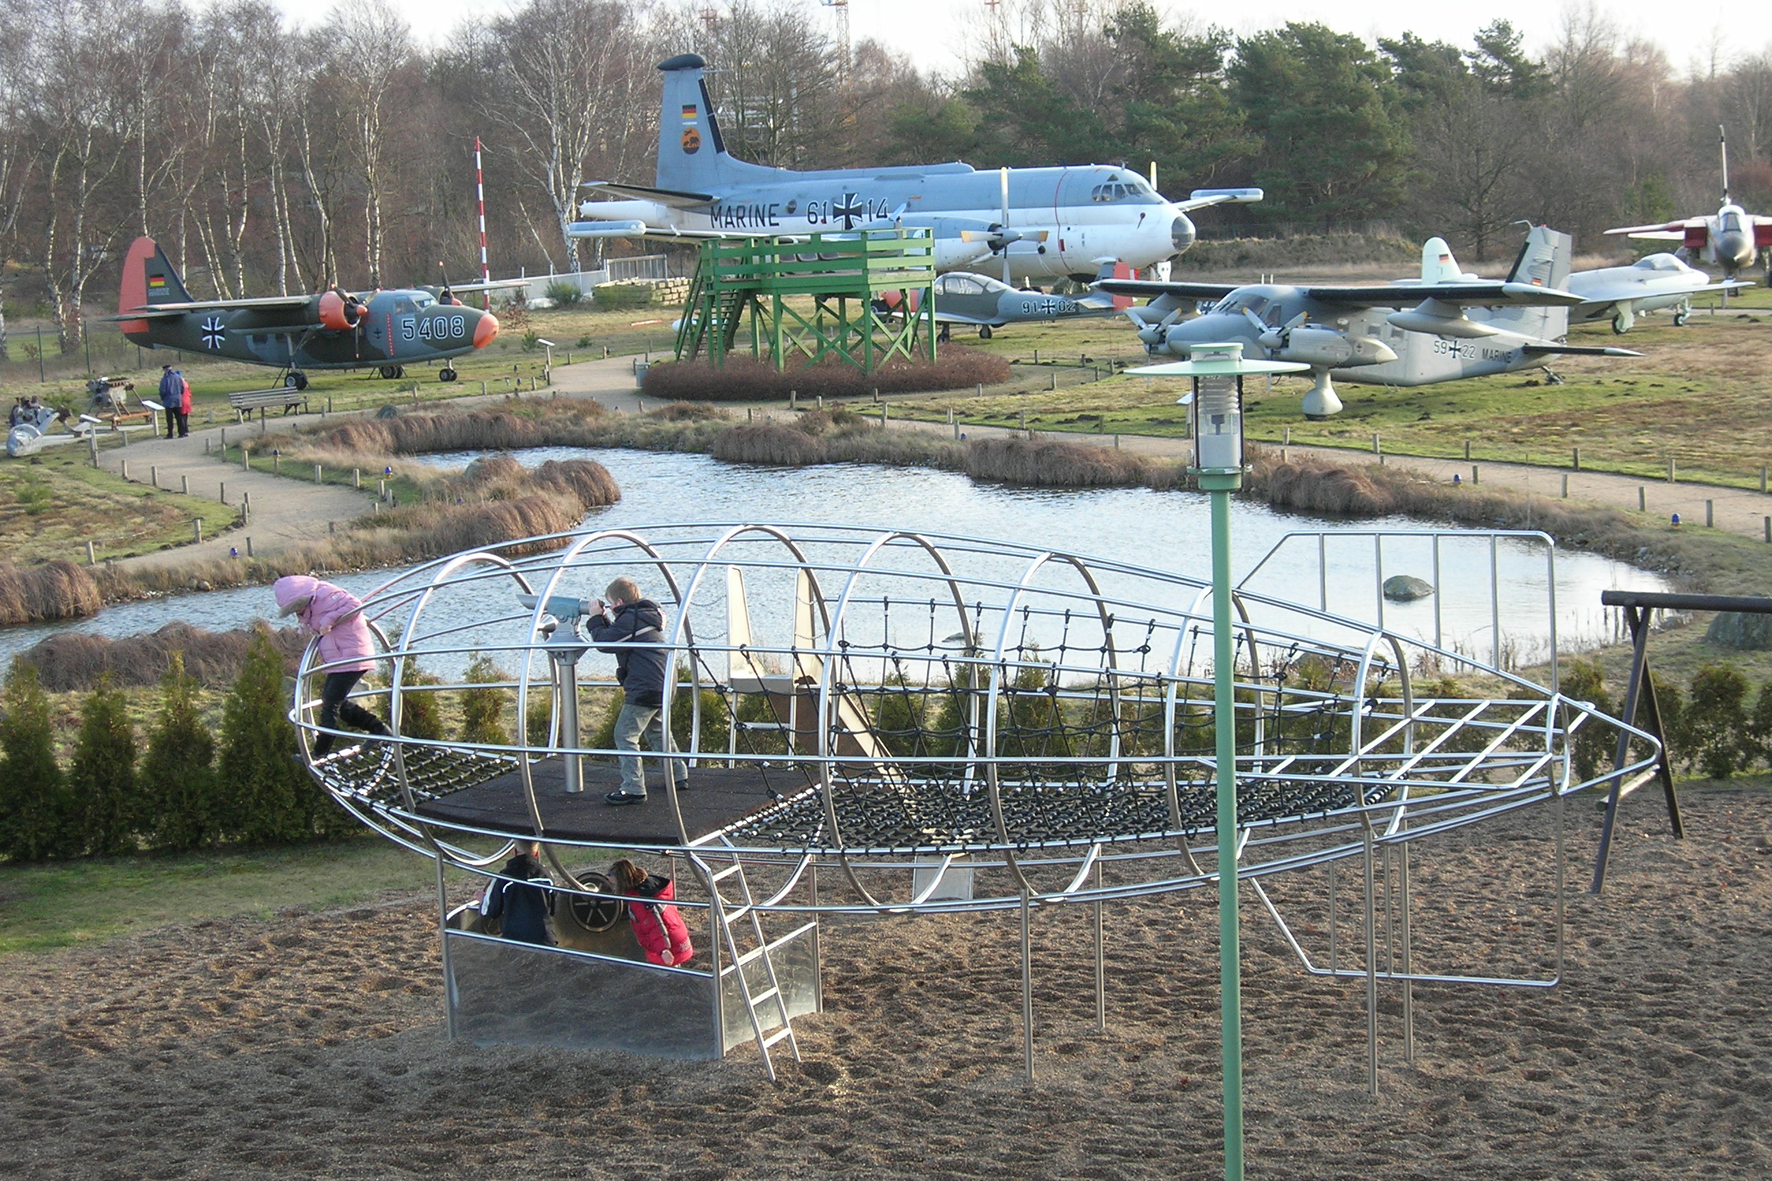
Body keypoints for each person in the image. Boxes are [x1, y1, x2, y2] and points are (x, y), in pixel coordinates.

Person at [587, 577, 684, 806]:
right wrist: (602, 618)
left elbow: (605, 643)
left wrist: (594, 619)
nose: (609, 608)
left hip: (646, 686)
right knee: (657, 730)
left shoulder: (631, 619)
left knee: (625, 734)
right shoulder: (642, 616)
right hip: (663, 683)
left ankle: (633, 788)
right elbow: (620, 637)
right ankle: (678, 775)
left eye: (610, 604)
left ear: (619, 601)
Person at [273, 575, 390, 757]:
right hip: (339, 658)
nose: (298, 611)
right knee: (337, 703)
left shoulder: (327, 594)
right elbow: (312, 622)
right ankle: (379, 730)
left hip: (353, 655)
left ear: (303, 598)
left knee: (330, 705)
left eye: (297, 607)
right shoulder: (309, 607)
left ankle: (320, 752)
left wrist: (329, 620)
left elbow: (355, 604)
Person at [611, 857, 693, 966]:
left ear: (621, 882)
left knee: (664, 976)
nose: (613, 888)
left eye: (614, 884)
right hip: (679, 939)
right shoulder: (650, 889)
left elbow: (653, 926)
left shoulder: (639, 902)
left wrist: (663, 950)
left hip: (669, 948)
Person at [483, 842, 555, 945]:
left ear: (515, 852)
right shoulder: (546, 875)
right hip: (544, 939)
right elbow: (552, 909)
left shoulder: (504, 877)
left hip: (514, 940)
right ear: (537, 854)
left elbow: (492, 911)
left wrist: (483, 899)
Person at [157, 365, 181, 439]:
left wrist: (163, 398)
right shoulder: (177, 377)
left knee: (169, 418)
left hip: (168, 400)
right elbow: (182, 388)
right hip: (177, 399)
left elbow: (162, 390)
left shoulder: (165, 379)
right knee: (179, 417)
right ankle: (182, 432)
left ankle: (170, 434)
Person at [175, 371, 192, 437]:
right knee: (185, 416)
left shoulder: (178, 384)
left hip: (181, 401)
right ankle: (186, 429)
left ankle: (183, 431)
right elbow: (190, 393)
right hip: (187, 401)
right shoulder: (186, 383)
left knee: (180, 417)